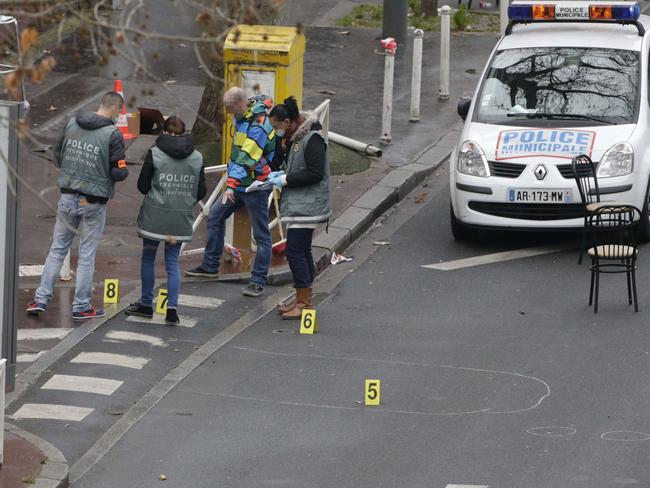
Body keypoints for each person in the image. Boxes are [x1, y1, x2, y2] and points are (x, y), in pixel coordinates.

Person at [26, 92, 128, 320]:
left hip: (68, 197)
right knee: (86, 254)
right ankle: (81, 305)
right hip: (93, 202)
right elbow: (118, 173)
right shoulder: (113, 135)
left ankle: (40, 298)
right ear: (115, 108)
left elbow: (57, 154)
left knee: (57, 249)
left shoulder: (72, 124)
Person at [185, 87, 276, 298]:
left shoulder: (259, 125)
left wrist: (231, 185)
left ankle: (258, 280)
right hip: (241, 182)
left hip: (255, 185)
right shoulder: (242, 116)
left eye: (228, 108)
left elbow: (246, 157)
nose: (226, 112)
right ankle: (209, 266)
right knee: (215, 216)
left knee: (261, 235)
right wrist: (234, 183)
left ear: (239, 103)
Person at [125, 116, 206, 326]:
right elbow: (201, 190)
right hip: (179, 217)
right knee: (172, 262)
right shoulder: (197, 157)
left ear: (165, 132)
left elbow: (142, 186)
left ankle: (145, 304)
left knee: (148, 257)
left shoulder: (155, 153)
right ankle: (172, 309)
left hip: (155, 215)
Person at [267, 97, 331, 320]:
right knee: (302, 251)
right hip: (300, 204)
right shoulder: (295, 139)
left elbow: (315, 173)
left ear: (289, 121)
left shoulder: (312, 139)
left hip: (308, 206)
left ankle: (304, 301)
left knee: (294, 251)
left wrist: (285, 179)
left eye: (277, 127)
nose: (276, 131)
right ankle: (302, 297)